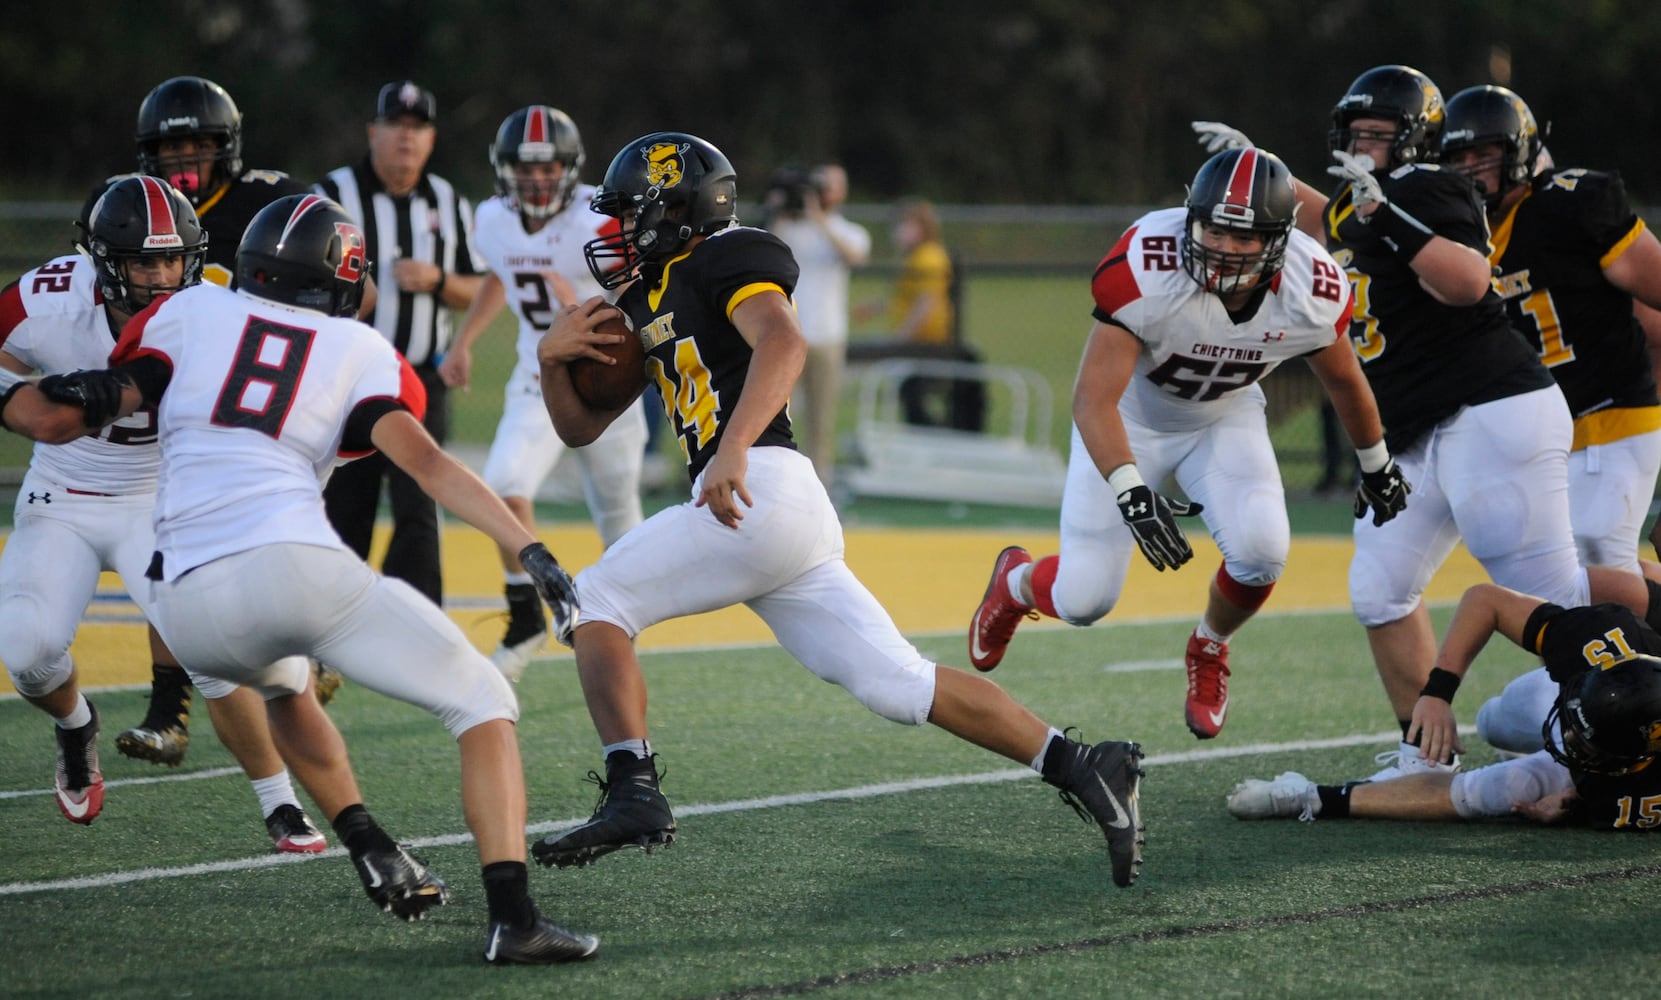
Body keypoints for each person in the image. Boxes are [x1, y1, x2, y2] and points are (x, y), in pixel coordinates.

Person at [527, 131, 1146, 888]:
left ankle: (634, 791)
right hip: (775, 512)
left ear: (676, 209)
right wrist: (548, 359)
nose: (616, 230)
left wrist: (731, 448)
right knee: (899, 685)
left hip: (755, 485)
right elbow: (578, 427)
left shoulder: (727, 254)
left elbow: (782, 344)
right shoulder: (646, 293)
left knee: (592, 601)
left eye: (630, 212)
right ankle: (1083, 764)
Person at [19, 193, 597, 964]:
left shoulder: (185, 316)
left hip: (186, 604)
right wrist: (528, 549)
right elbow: (424, 463)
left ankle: (367, 843)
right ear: (345, 283)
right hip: (288, 564)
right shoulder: (361, 350)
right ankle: (515, 918)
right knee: (484, 702)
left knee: (285, 686)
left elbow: (104, 400)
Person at [1194, 65, 1588, 777]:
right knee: (1378, 588)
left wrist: (1385, 214)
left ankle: (1615, 726)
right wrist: (1260, 164)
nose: (1364, 144)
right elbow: (1324, 218)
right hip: (1411, 432)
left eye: (1380, 133)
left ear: (1416, 140)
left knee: (1549, 600)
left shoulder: (1430, 188)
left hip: (1489, 408)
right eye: (1356, 132)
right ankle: (1423, 756)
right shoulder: (1364, 201)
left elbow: (1467, 282)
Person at [967, 147, 1405, 741]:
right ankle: (1016, 583)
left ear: (1279, 241)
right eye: (1215, 228)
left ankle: (1209, 645)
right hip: (1129, 420)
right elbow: (1093, 398)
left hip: (1223, 418)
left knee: (1262, 550)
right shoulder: (1149, 263)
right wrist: (1129, 489)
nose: (1224, 246)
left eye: (1244, 236)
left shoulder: (1312, 287)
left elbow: (1344, 379)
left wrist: (1376, 464)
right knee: (1085, 599)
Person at [0, 175, 326, 852]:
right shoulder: (48, 300)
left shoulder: (215, 306)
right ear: (102, 262)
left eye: (171, 259)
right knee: (27, 656)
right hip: (64, 494)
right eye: (143, 262)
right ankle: (75, 725)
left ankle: (280, 803)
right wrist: (13, 392)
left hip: (161, 499)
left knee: (211, 655)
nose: (159, 276)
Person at [116, 74, 330, 761]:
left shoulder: (271, 198)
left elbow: (344, 262)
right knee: (169, 541)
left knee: (280, 535)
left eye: (199, 146)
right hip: (190, 401)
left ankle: (309, 646)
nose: (183, 162)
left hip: (272, 400)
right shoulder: (140, 208)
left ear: (227, 147)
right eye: (170, 148)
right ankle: (168, 712)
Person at [439, 105, 646, 681]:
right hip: (540, 373)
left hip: (607, 372)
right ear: (504, 170)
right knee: (506, 484)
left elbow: (640, 290)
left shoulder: (598, 216)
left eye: (547, 167)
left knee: (618, 514)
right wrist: (465, 343)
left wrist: (577, 309)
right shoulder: (492, 218)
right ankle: (529, 610)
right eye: (523, 169)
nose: (535, 179)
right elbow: (501, 277)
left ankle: (621, 625)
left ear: (569, 167)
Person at [1227, 571, 1661, 830]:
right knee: (1495, 721)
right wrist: (1437, 693)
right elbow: (1485, 600)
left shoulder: (1639, 793)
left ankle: (1309, 797)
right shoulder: (1598, 640)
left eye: (1581, 744)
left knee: (1493, 791)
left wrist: (1577, 804)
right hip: (1588, 694)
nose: (1568, 741)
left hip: (1620, 761)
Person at [1439, 84, 1661, 576]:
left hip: (1611, 414)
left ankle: (1605, 654)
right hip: (1536, 435)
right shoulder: (1452, 238)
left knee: (1596, 552)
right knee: (1557, 572)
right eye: (1459, 155)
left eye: (1485, 152)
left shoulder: (1572, 204)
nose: (1471, 167)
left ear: (1518, 150)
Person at [316, 81, 485, 607]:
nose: (406, 140)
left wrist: (436, 280)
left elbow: (477, 288)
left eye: (417, 129)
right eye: (396, 127)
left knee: (420, 509)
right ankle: (330, 627)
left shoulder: (448, 201)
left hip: (419, 379)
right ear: (373, 132)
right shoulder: (333, 194)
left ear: (431, 139)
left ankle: (419, 629)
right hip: (346, 379)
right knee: (346, 508)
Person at [764, 163, 870, 487]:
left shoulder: (848, 230)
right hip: (787, 335)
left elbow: (854, 256)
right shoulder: (790, 228)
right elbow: (766, 250)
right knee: (774, 413)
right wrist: (777, 211)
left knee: (821, 421)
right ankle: (776, 482)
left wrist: (818, 218)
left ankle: (819, 486)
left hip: (827, 336)